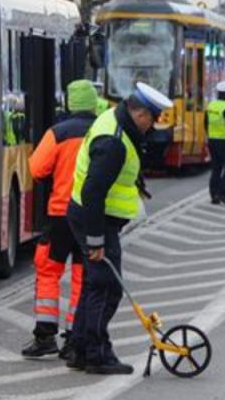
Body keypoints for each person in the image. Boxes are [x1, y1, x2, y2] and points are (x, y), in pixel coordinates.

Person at [67, 81, 172, 375]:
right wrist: (96, 240)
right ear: (140, 115)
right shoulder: (113, 141)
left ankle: (78, 349)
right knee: (106, 287)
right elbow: (93, 192)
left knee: (93, 284)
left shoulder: (116, 119)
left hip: (93, 216)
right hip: (94, 219)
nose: (152, 127)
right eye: (152, 120)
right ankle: (97, 355)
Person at [21, 80, 98, 359]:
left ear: (69, 103)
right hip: (92, 216)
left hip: (60, 215)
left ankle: (45, 336)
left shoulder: (59, 133)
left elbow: (37, 168)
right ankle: (74, 338)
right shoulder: (104, 131)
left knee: (48, 270)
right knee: (82, 275)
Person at [205, 80, 225, 205]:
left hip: (212, 141)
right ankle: (222, 193)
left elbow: (206, 124)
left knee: (216, 169)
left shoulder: (211, 106)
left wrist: (209, 136)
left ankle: (214, 196)